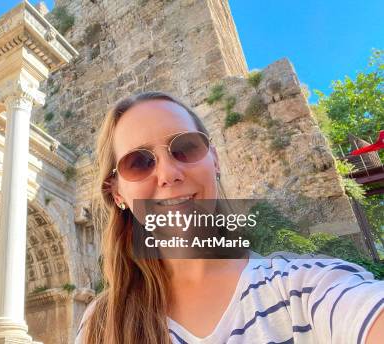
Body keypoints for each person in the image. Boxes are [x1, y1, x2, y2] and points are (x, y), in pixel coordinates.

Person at [75, 91, 384, 344]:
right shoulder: (101, 326)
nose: (168, 173)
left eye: (185, 148)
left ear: (215, 160)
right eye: (139, 162)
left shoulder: (303, 287)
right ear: (117, 193)